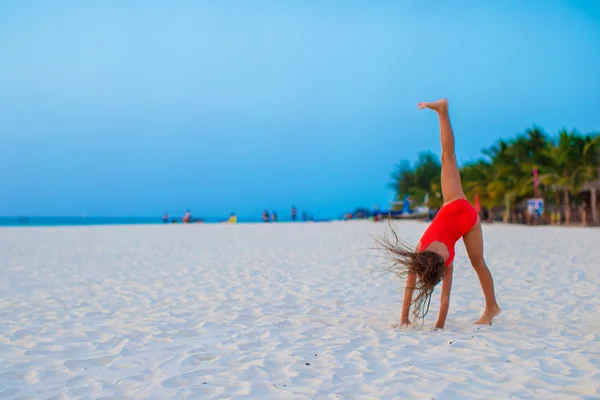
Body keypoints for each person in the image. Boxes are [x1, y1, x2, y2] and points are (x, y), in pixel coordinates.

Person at [377, 99, 501, 330]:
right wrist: (436, 326)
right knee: (447, 156)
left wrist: (411, 320)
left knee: (478, 263)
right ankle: (491, 306)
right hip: (457, 204)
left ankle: (443, 111)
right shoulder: (421, 250)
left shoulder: (448, 262)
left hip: (468, 218)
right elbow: (424, 292)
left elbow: (440, 297)